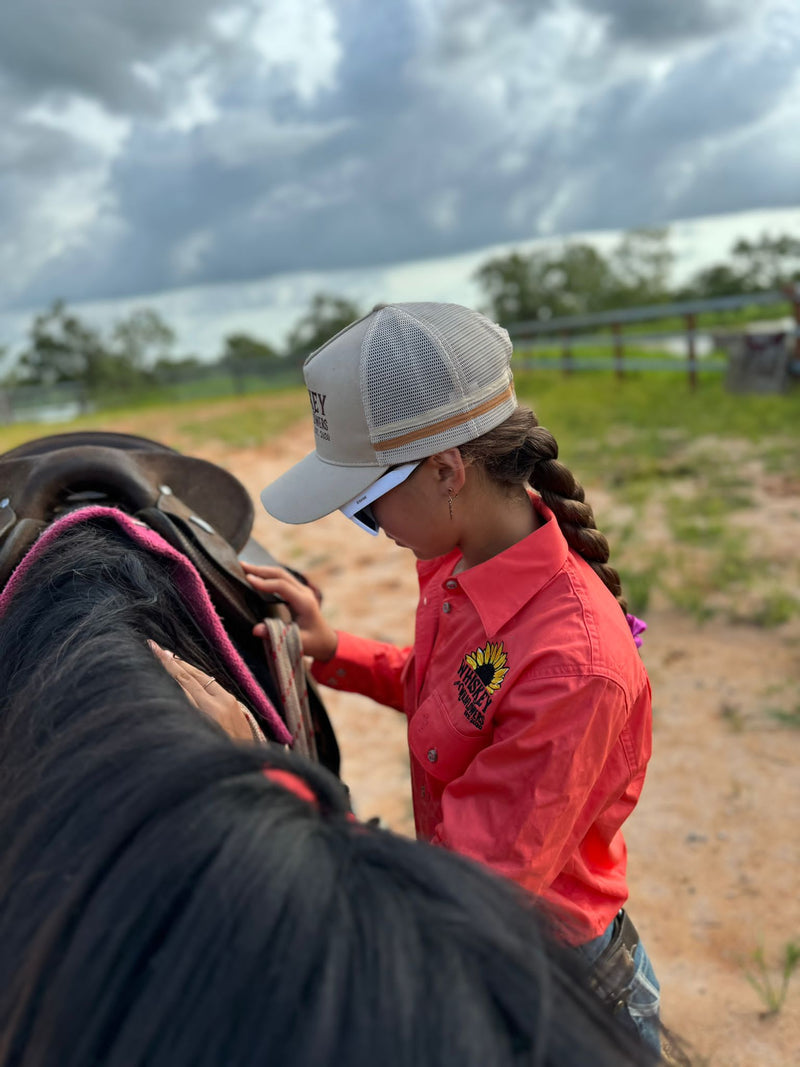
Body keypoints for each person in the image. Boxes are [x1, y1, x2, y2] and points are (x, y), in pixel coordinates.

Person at [250, 301, 662, 1054]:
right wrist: (331, 645)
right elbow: (452, 696)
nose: (377, 531)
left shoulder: (573, 663)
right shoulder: (455, 561)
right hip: (482, 937)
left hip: (552, 978)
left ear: (447, 471)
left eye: (367, 507)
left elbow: (474, 882)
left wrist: (259, 794)